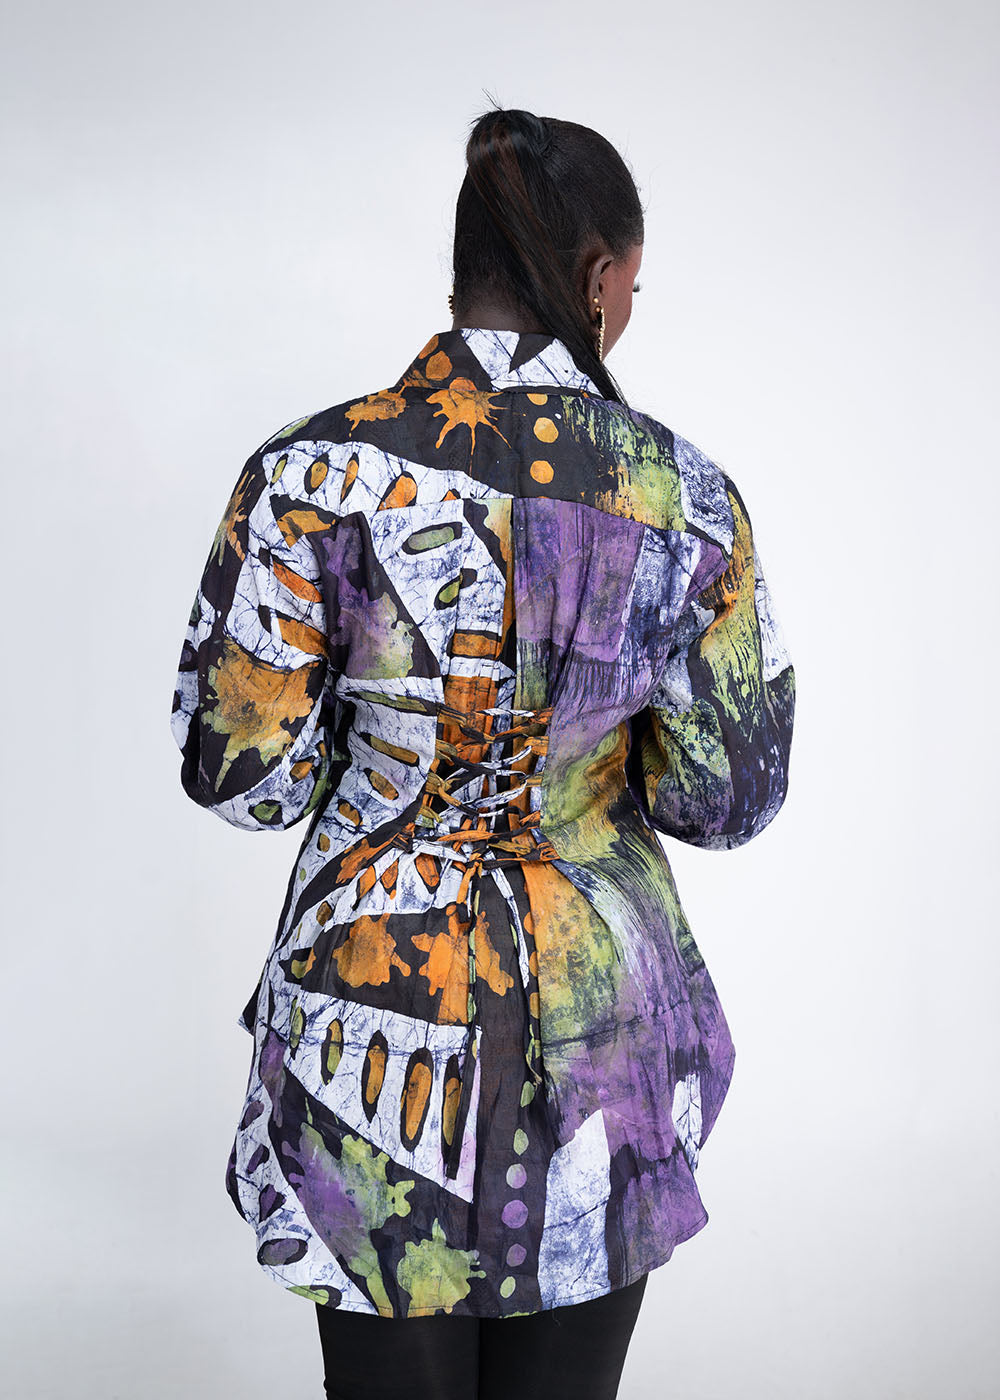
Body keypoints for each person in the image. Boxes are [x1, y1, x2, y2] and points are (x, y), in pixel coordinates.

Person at [169, 105, 796, 1399]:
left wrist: (381, 751)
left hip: (368, 1027)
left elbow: (240, 774)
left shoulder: (305, 474)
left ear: (466, 273)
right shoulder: (687, 497)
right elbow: (730, 795)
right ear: (600, 278)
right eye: (632, 289)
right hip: (600, 1034)